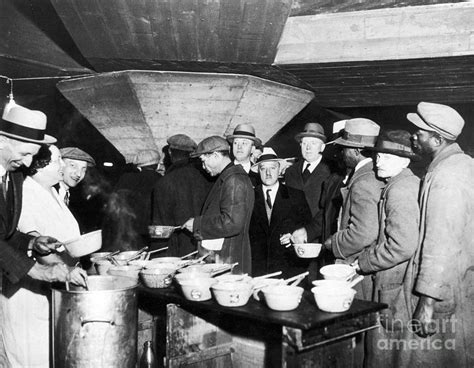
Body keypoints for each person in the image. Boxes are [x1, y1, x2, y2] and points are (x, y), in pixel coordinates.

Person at [0, 105, 87, 366]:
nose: (27, 163)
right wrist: (40, 271)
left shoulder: (12, 177)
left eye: (33, 156)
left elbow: (6, 233)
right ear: (2, 140)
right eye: (25, 153)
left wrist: (31, 242)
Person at [406, 102, 474, 367]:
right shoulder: (465, 165)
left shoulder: (447, 177)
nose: (413, 136)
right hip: (464, 282)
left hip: (445, 292)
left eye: (419, 133)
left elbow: (441, 242)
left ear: (437, 139)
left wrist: (428, 301)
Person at [352, 130, 420, 368]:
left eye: (387, 157)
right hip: (397, 283)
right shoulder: (404, 184)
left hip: (394, 286)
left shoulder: (400, 191)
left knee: (383, 355)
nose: (379, 161)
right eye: (379, 155)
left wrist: (364, 263)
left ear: (405, 161)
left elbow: (401, 245)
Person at [323, 118, 384, 300]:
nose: (342, 153)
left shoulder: (363, 182)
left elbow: (363, 233)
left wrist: (334, 243)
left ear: (356, 151)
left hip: (356, 268)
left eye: (345, 148)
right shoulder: (373, 174)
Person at [182, 136, 254, 274]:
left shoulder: (234, 180)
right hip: (224, 256)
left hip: (228, 260)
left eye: (204, 161)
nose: (203, 167)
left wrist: (197, 225)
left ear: (215, 155)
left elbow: (232, 223)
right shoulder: (228, 177)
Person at [249, 147, 312, 278]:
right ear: (258, 172)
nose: (268, 173)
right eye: (263, 169)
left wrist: (294, 236)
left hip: (287, 267)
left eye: (272, 168)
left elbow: (307, 226)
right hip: (258, 269)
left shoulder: (296, 195)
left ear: (279, 170)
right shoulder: (249, 196)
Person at [152, 134, 212, 257]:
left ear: (169, 152)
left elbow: (160, 230)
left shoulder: (165, 182)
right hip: (204, 249)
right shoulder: (208, 178)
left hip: (176, 253)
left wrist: (156, 256)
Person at [284, 122, 333, 244]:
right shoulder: (291, 172)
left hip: (320, 238)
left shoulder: (332, 172)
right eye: (304, 143)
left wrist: (308, 231)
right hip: (293, 238)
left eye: (313, 143)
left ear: (322, 147)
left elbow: (329, 210)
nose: (308, 148)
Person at [112, 149, 162, 249]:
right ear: (158, 165)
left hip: (128, 232)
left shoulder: (125, 179)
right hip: (153, 234)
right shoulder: (161, 180)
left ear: (138, 166)